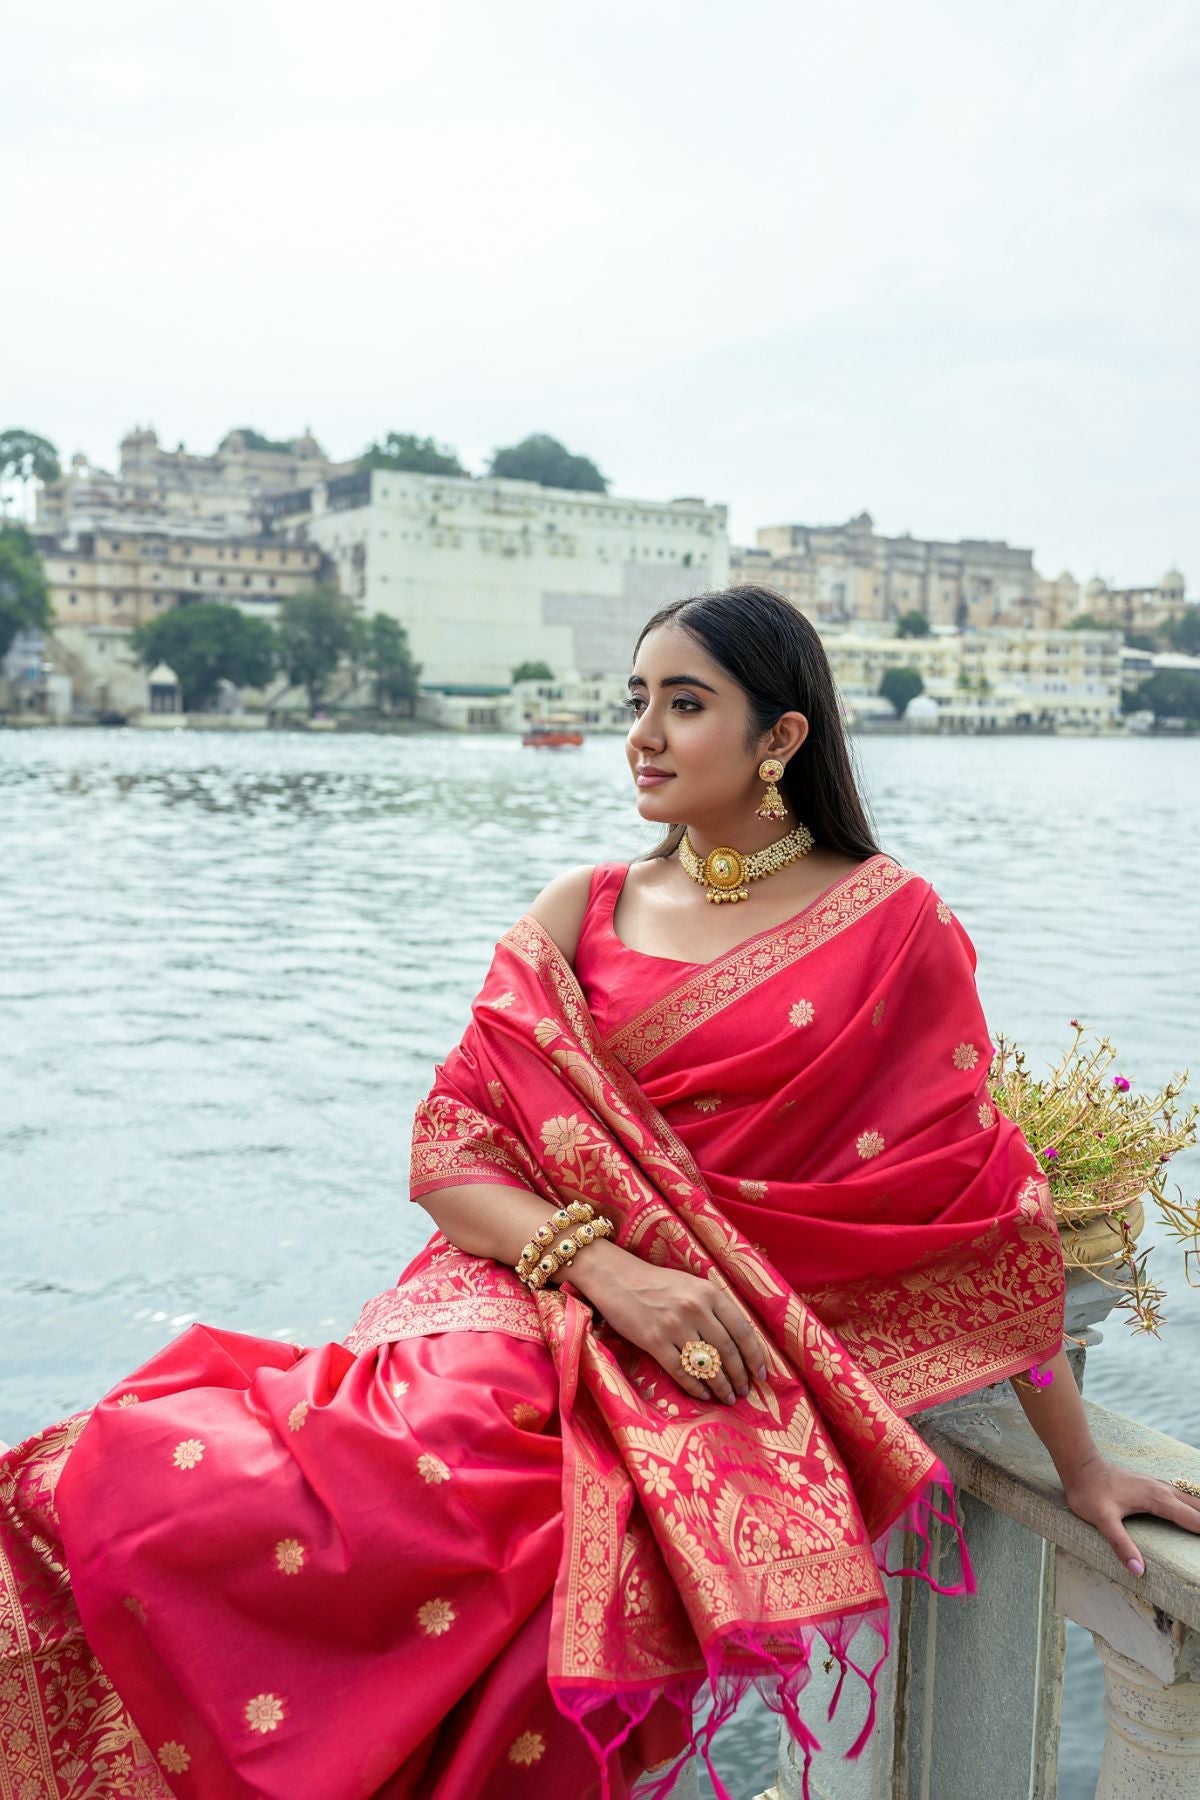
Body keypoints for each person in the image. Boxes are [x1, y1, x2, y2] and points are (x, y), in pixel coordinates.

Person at [2, 584, 1197, 1800]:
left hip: (713, 1361)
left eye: (686, 704)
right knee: (208, 1486)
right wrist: (610, 1271)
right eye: (638, 701)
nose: (642, 734)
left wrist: (1084, 1466)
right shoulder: (584, 906)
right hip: (523, 1289)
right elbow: (450, 1150)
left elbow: (976, 1215)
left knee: (536, 1550)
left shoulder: (891, 929)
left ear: (782, 737)